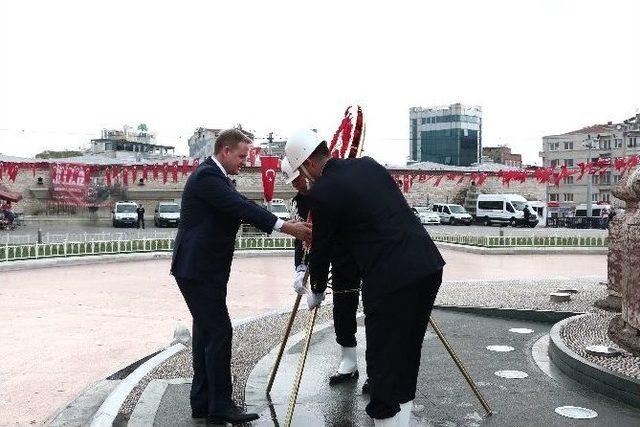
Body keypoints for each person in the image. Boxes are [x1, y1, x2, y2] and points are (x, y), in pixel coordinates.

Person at [285, 129, 445, 427]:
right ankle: (401, 421)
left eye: (301, 171)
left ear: (307, 163)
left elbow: (322, 247)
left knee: (383, 361)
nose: (304, 177)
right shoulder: (368, 165)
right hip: (427, 265)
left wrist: (317, 289)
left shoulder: (322, 192)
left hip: (389, 277)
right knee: (406, 354)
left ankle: (385, 420)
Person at [171, 129, 311, 425]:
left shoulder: (215, 177)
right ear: (225, 151)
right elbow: (240, 208)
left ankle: (203, 402)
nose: (244, 162)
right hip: (198, 270)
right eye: (241, 156)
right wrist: (287, 228)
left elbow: (244, 203)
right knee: (220, 331)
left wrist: (285, 221)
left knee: (205, 334)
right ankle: (220, 405)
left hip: (202, 269)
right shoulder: (208, 177)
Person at [281, 158, 363, 387]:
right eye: (292, 182)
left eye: (298, 178)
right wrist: (301, 268)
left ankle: (379, 371)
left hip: (359, 252)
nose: (296, 184)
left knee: (377, 311)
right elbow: (303, 239)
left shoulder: (333, 188)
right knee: (343, 308)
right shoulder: (298, 202)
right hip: (336, 260)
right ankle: (349, 361)